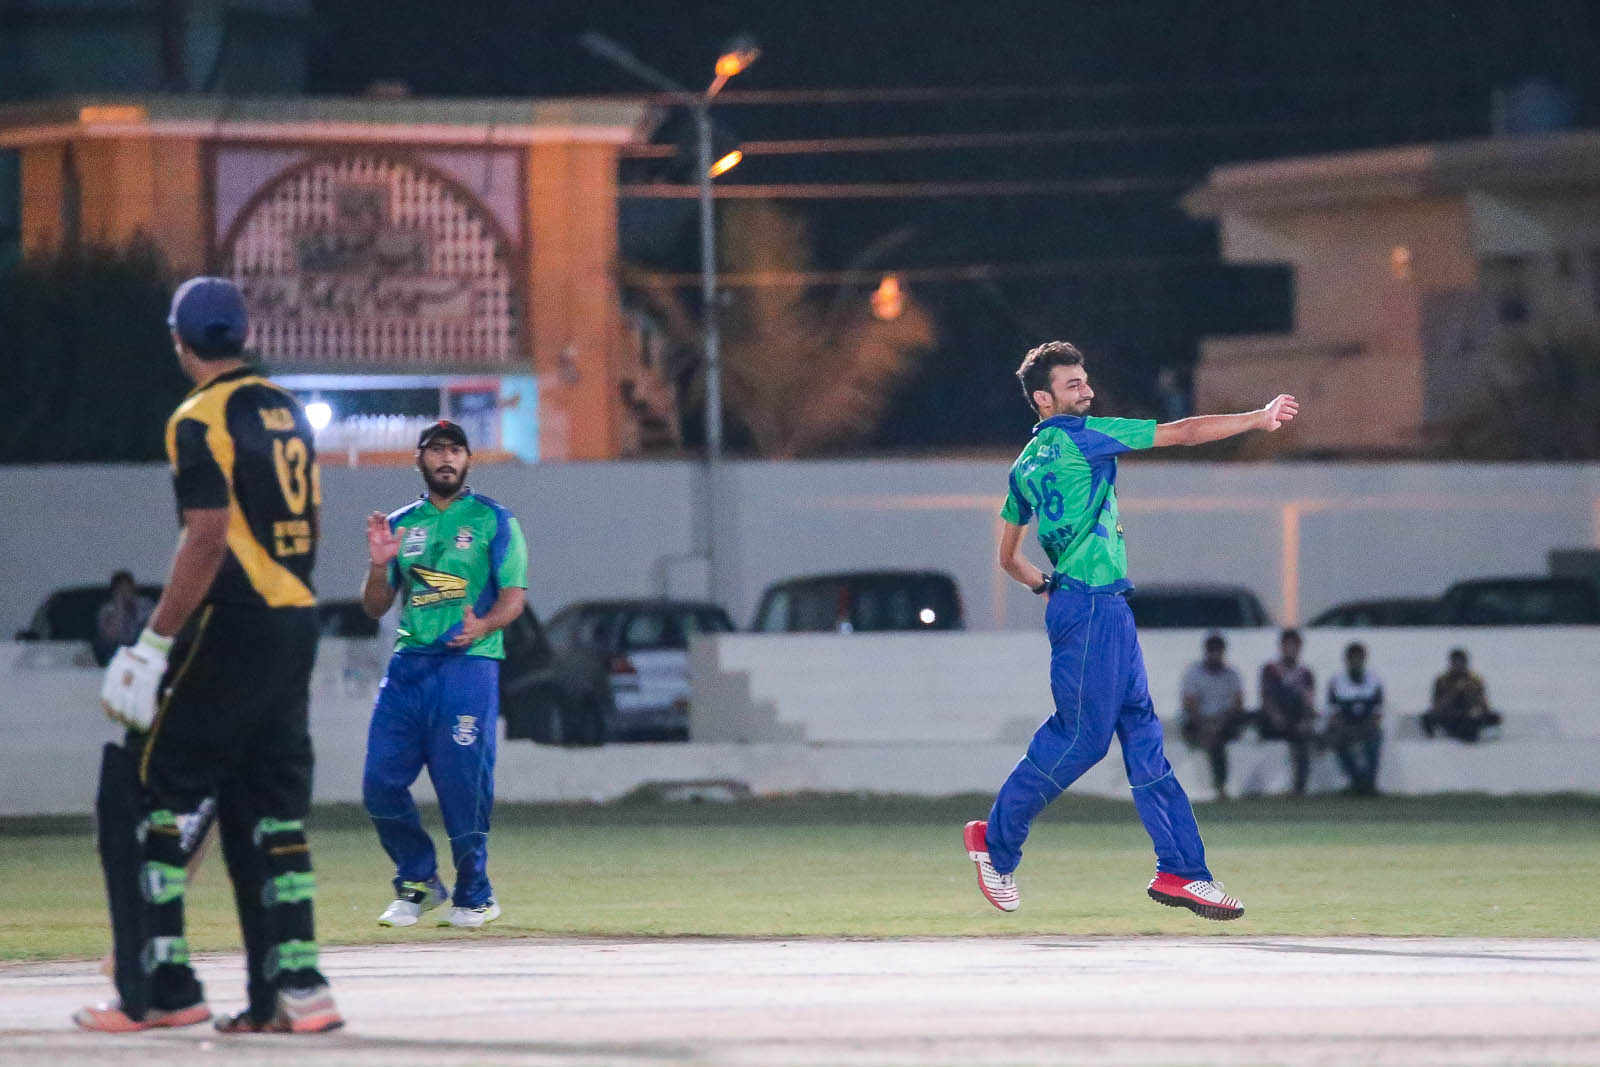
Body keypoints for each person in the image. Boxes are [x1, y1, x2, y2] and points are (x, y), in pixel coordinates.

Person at [80, 277, 341, 1034]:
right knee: (271, 807)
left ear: (179, 340)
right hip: (297, 618)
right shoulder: (288, 409)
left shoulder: (198, 417)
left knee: (147, 789)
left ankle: (161, 987)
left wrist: (154, 639)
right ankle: (296, 989)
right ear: (244, 333)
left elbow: (206, 537)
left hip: (237, 621)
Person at [964, 340, 1298, 919]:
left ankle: (1182, 872)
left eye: (1085, 380)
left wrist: (1046, 587)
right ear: (1043, 399)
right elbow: (1183, 433)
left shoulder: (1024, 464)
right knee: (1081, 738)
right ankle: (994, 843)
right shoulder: (1083, 437)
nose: (1087, 391)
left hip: (1098, 607)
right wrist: (1257, 418)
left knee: (1143, 737)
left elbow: (1008, 558)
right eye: (1072, 385)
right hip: (1092, 608)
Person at [360, 420, 528, 929]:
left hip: (468, 668)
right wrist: (378, 566)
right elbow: (374, 607)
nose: (447, 458)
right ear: (420, 460)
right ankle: (418, 880)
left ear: (468, 460)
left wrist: (484, 625)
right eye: (436, 451)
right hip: (409, 670)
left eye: (456, 450)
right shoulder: (400, 524)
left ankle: (475, 894)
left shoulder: (494, 519)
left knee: (462, 787)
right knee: (379, 784)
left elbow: (513, 598)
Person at [1179, 633, 1245, 800]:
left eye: (1218, 651)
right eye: (1212, 651)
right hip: (1198, 722)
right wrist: (1206, 724)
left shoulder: (1232, 675)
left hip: (1223, 722)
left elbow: (1238, 703)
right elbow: (1190, 703)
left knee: (1223, 733)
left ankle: (1223, 785)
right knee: (1213, 740)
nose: (1215, 655)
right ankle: (1219, 786)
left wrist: (1220, 722)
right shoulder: (1194, 674)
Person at [1258, 627, 1317, 795]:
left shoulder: (1305, 673)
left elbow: (1308, 700)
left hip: (1295, 720)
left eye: (1294, 646)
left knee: (1304, 736)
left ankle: (1300, 787)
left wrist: (1305, 720)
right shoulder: (1270, 670)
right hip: (1273, 720)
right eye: (1287, 645)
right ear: (1281, 647)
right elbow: (1266, 697)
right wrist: (1275, 716)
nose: (1290, 649)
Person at [1326, 641, 1384, 796]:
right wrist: (1343, 728)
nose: (1356, 662)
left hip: (1367, 725)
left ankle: (1370, 783)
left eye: (1359, 658)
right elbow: (1333, 712)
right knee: (1336, 737)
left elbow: (1378, 712)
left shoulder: (1375, 681)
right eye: (1353, 658)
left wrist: (1369, 725)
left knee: (1376, 736)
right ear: (1347, 660)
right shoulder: (1336, 681)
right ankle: (1357, 780)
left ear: (1364, 659)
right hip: (1345, 726)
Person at [1424, 648, 1502, 742]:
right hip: (1449, 715)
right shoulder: (1442, 681)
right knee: (1426, 718)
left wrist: (1470, 693)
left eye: (1461, 662)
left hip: (1468, 715)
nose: (1458, 666)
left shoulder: (1475, 680)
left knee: (1493, 718)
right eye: (1455, 663)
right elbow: (1436, 707)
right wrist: (1454, 692)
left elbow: (1484, 707)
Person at [92, 570, 155, 666]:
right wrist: (119, 608)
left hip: (142, 647)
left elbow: (153, 627)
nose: (125, 591)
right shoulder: (106, 610)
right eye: (120, 588)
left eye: (127, 587)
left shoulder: (146, 604)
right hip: (116, 649)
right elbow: (110, 637)